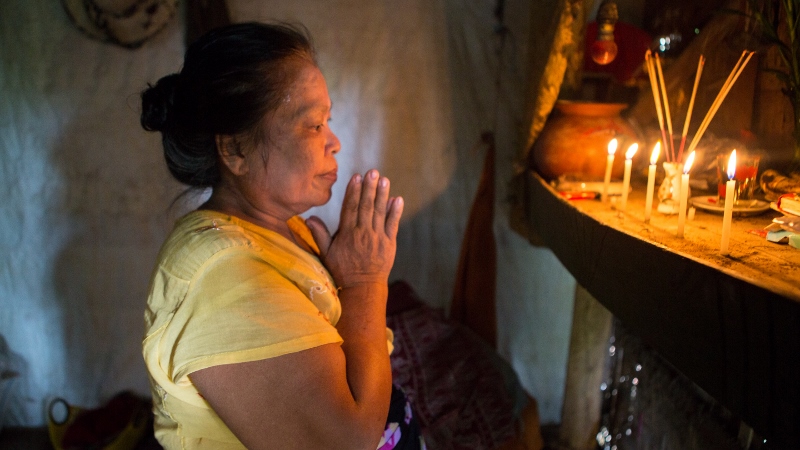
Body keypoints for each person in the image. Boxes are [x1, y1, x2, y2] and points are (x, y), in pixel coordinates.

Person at [140, 22, 424, 449]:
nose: (334, 142)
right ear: (235, 149)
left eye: (328, 120)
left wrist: (346, 281)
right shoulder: (222, 280)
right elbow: (348, 443)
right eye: (313, 125)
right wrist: (364, 284)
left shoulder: (278, 227)